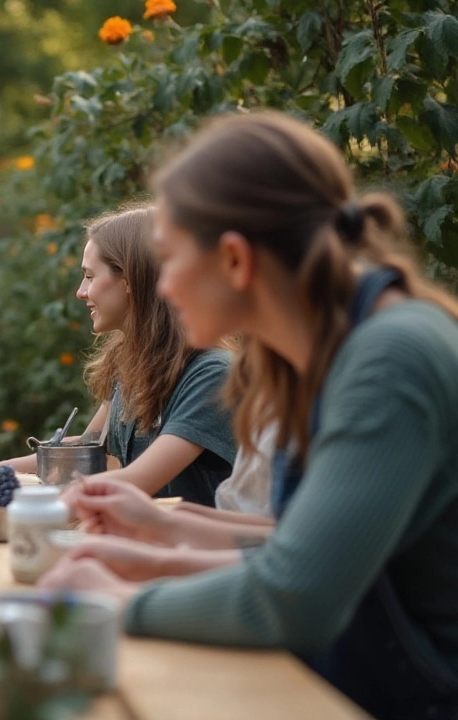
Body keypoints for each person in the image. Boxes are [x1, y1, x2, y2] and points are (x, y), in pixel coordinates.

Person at [41, 112, 458, 719]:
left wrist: (116, 599)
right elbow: (300, 548)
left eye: (171, 259)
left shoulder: (390, 361)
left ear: (235, 260)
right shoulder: (319, 355)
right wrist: (158, 546)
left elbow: (295, 596)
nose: (163, 286)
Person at [0, 206, 236, 506]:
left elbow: (139, 480)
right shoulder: (129, 364)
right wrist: (2, 472)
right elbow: (90, 449)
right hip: (139, 543)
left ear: (129, 280)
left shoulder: (212, 375)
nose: (81, 292)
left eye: (90, 276)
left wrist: (27, 506)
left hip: (192, 549)